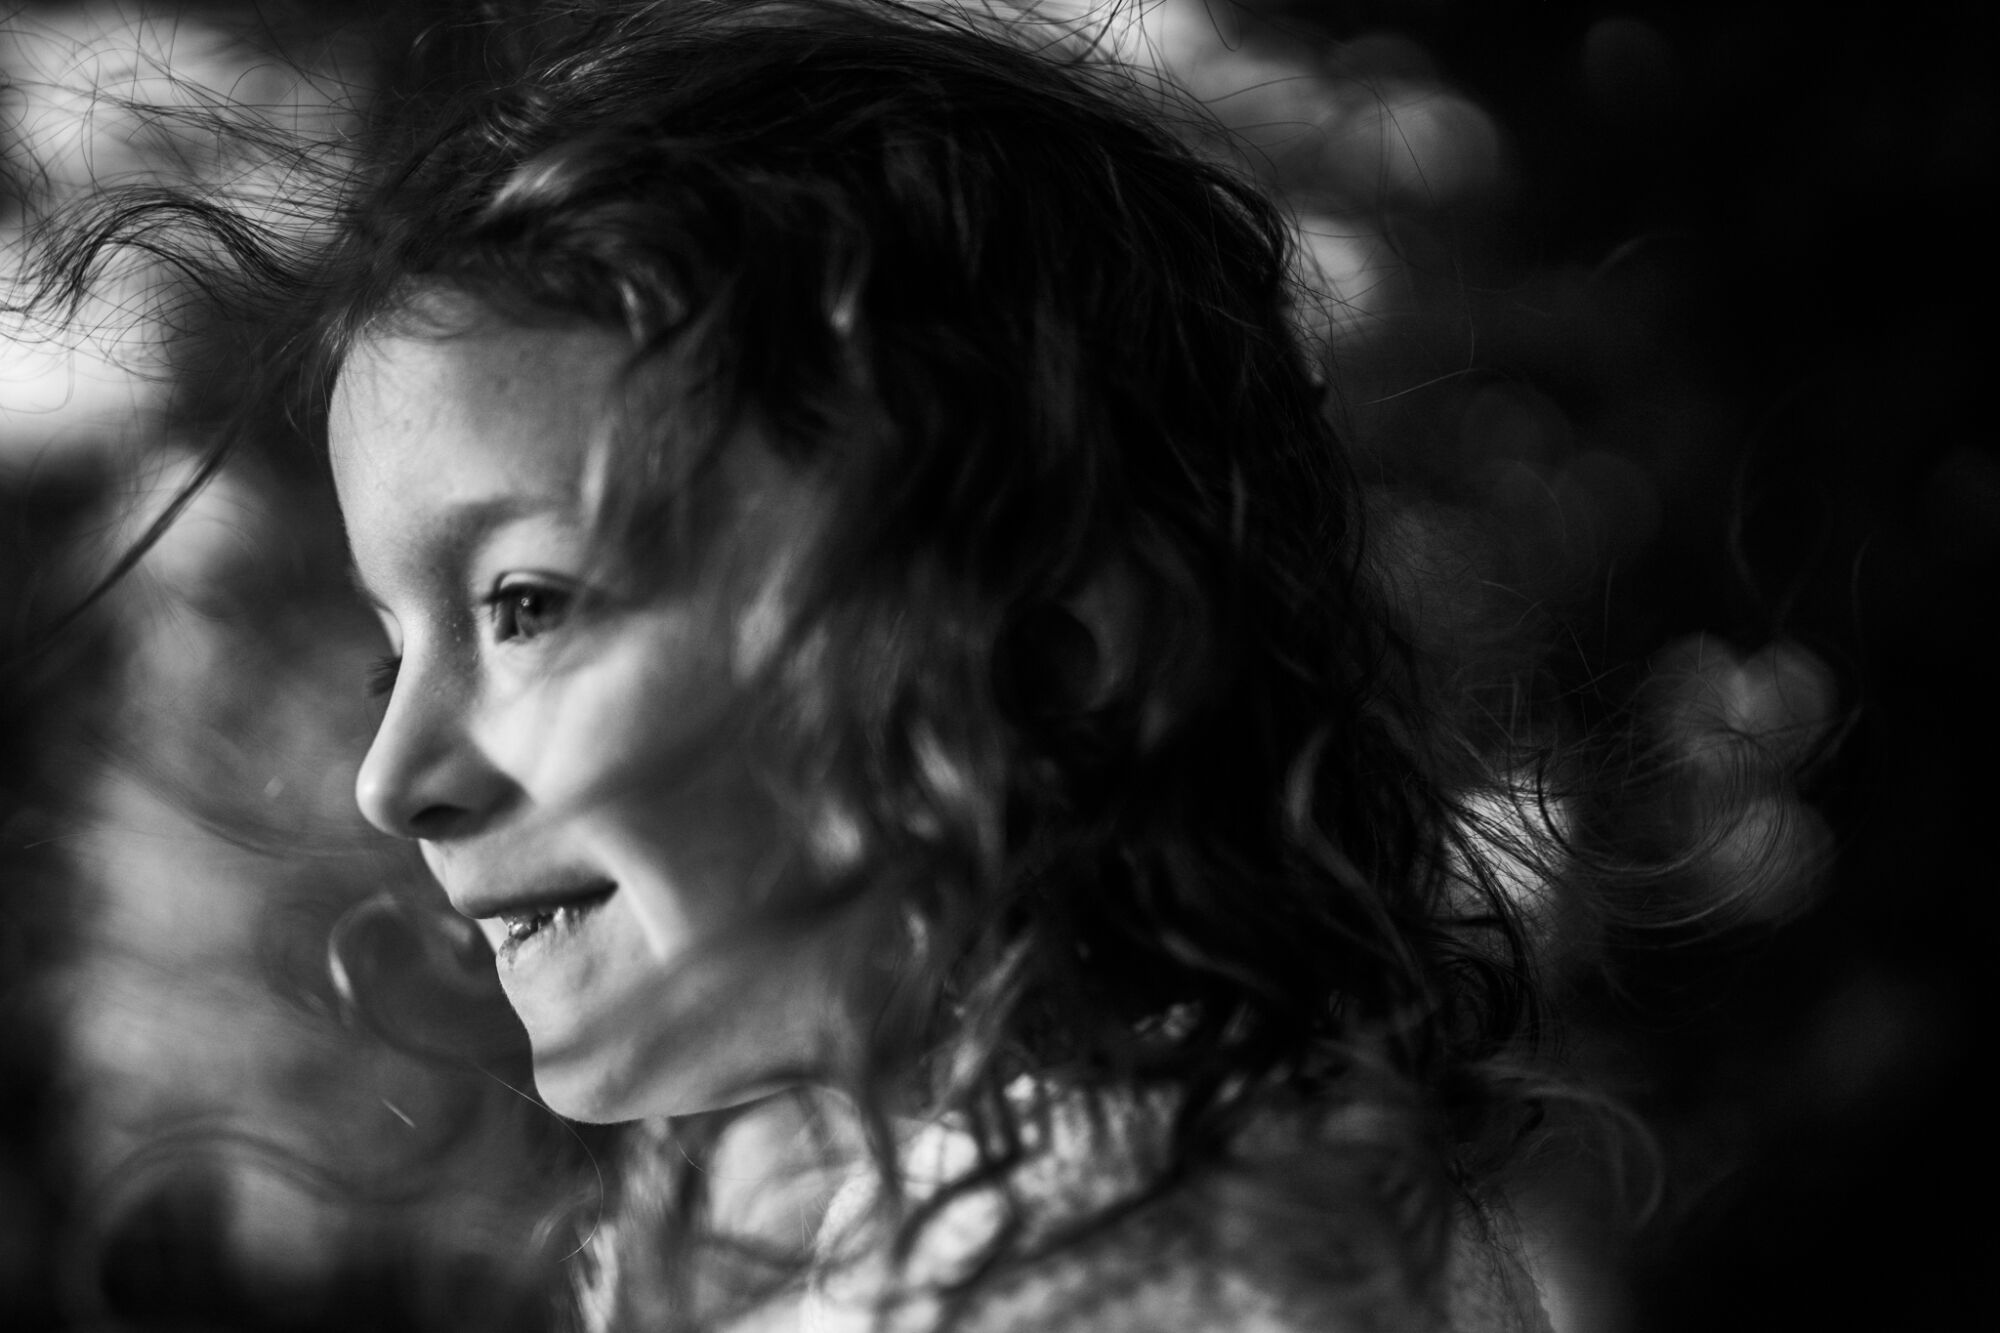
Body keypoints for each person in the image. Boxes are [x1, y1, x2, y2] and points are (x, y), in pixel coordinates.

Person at [23, 2, 1568, 1328]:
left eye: (528, 605)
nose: (393, 778)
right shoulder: (1078, 1219)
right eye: (391, 657)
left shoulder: (1129, 1273)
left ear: (1045, 645)